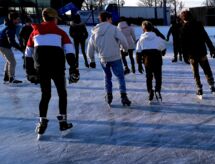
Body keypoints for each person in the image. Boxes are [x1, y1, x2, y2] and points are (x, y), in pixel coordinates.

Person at [25, 8, 79, 136]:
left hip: (41, 69)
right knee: (62, 93)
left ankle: (42, 123)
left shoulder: (34, 33)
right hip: (57, 68)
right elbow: (70, 51)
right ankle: (63, 122)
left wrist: (30, 71)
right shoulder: (60, 32)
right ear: (54, 19)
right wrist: (73, 68)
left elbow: (28, 53)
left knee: (45, 95)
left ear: (44, 18)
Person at [87, 11, 131, 106]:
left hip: (103, 59)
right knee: (120, 76)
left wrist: (92, 60)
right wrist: (125, 49)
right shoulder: (113, 29)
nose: (111, 20)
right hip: (115, 57)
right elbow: (123, 39)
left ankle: (109, 96)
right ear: (107, 19)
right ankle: (123, 96)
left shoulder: (95, 31)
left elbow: (90, 47)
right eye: (110, 19)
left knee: (107, 77)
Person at [180, 10, 215, 97]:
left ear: (183, 19)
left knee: (196, 73)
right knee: (207, 70)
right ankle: (212, 86)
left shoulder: (184, 28)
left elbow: (183, 44)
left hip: (192, 55)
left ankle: (199, 89)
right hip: (202, 53)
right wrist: (212, 48)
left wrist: (184, 55)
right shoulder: (199, 25)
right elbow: (206, 37)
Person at [136, 21, 166, 102]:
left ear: (143, 29)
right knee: (158, 77)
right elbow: (163, 48)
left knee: (148, 77)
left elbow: (138, 53)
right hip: (157, 61)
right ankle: (157, 90)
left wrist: (139, 64)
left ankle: (150, 91)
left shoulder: (140, 40)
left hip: (147, 62)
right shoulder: (157, 38)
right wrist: (162, 53)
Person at [0, 12, 24, 83]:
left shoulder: (9, 25)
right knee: (12, 62)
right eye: (17, 19)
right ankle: (11, 78)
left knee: (9, 61)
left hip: (3, 45)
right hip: (3, 46)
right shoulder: (10, 27)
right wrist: (20, 48)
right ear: (13, 19)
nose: (18, 20)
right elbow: (11, 41)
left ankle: (6, 77)